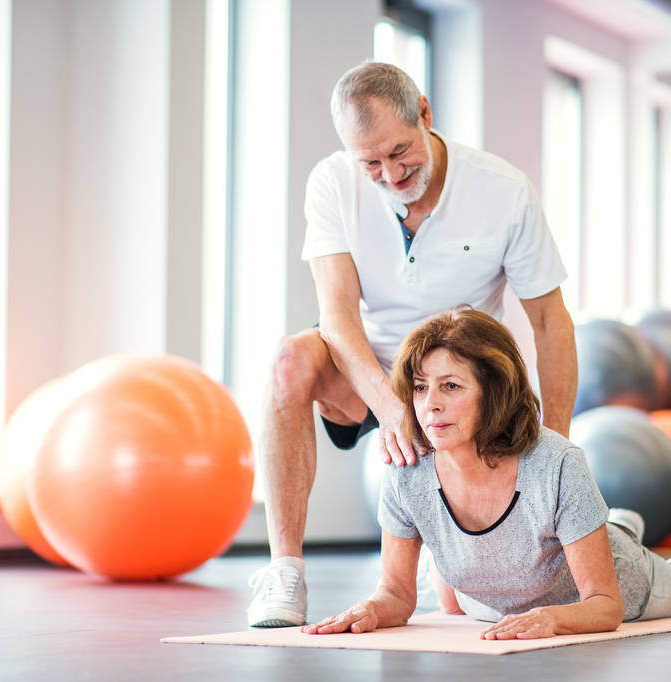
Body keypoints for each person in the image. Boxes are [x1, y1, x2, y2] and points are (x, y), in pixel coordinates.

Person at [246, 62, 577, 628]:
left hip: (459, 378)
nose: (390, 174)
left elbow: (551, 324)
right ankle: (285, 572)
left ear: (425, 114)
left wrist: (557, 452)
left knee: (454, 598)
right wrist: (393, 407)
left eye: (400, 153)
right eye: (370, 162)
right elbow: (337, 317)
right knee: (289, 359)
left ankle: (448, 557)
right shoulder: (332, 182)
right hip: (366, 370)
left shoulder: (503, 190)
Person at [302, 309, 671, 638]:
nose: (430, 405)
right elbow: (396, 594)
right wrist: (371, 609)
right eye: (419, 387)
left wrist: (550, 620)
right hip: (505, 600)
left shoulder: (554, 462)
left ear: (493, 391)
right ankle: (611, 524)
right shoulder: (407, 469)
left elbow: (605, 606)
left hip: (617, 588)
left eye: (451, 386)